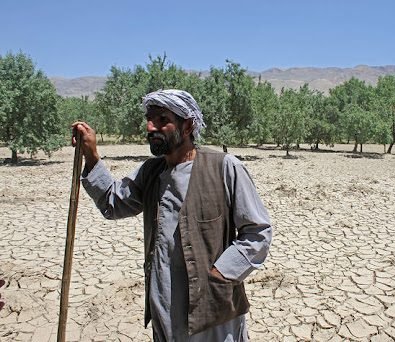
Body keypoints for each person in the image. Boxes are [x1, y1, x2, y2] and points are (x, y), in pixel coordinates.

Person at [72, 89, 272, 342]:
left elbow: (257, 232)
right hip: (164, 304)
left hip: (213, 308)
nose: (150, 126)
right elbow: (114, 204)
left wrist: (221, 274)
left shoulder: (224, 167)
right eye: (148, 118)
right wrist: (91, 155)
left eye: (161, 119)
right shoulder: (151, 172)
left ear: (187, 126)